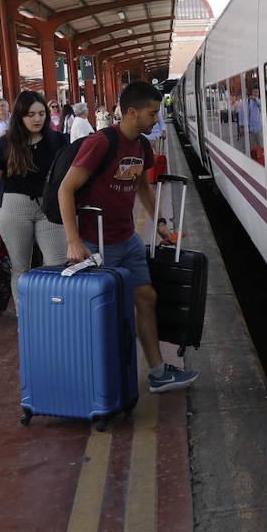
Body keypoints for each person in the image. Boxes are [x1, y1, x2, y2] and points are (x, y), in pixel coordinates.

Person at [58, 81, 197, 394]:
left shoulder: (142, 146)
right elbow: (65, 189)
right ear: (131, 113)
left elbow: (143, 187)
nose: (156, 119)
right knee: (99, 314)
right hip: (95, 243)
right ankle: (94, 380)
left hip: (126, 237)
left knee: (146, 297)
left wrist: (159, 222)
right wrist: (72, 239)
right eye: (152, 113)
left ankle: (159, 372)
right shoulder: (101, 142)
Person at [0, 91, 68, 305]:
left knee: (57, 265)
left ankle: (54, 315)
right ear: (20, 116)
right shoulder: (5, 143)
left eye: (41, 113)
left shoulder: (59, 141)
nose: (37, 119)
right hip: (14, 209)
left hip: (50, 208)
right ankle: (25, 320)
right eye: (31, 114)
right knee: (20, 267)